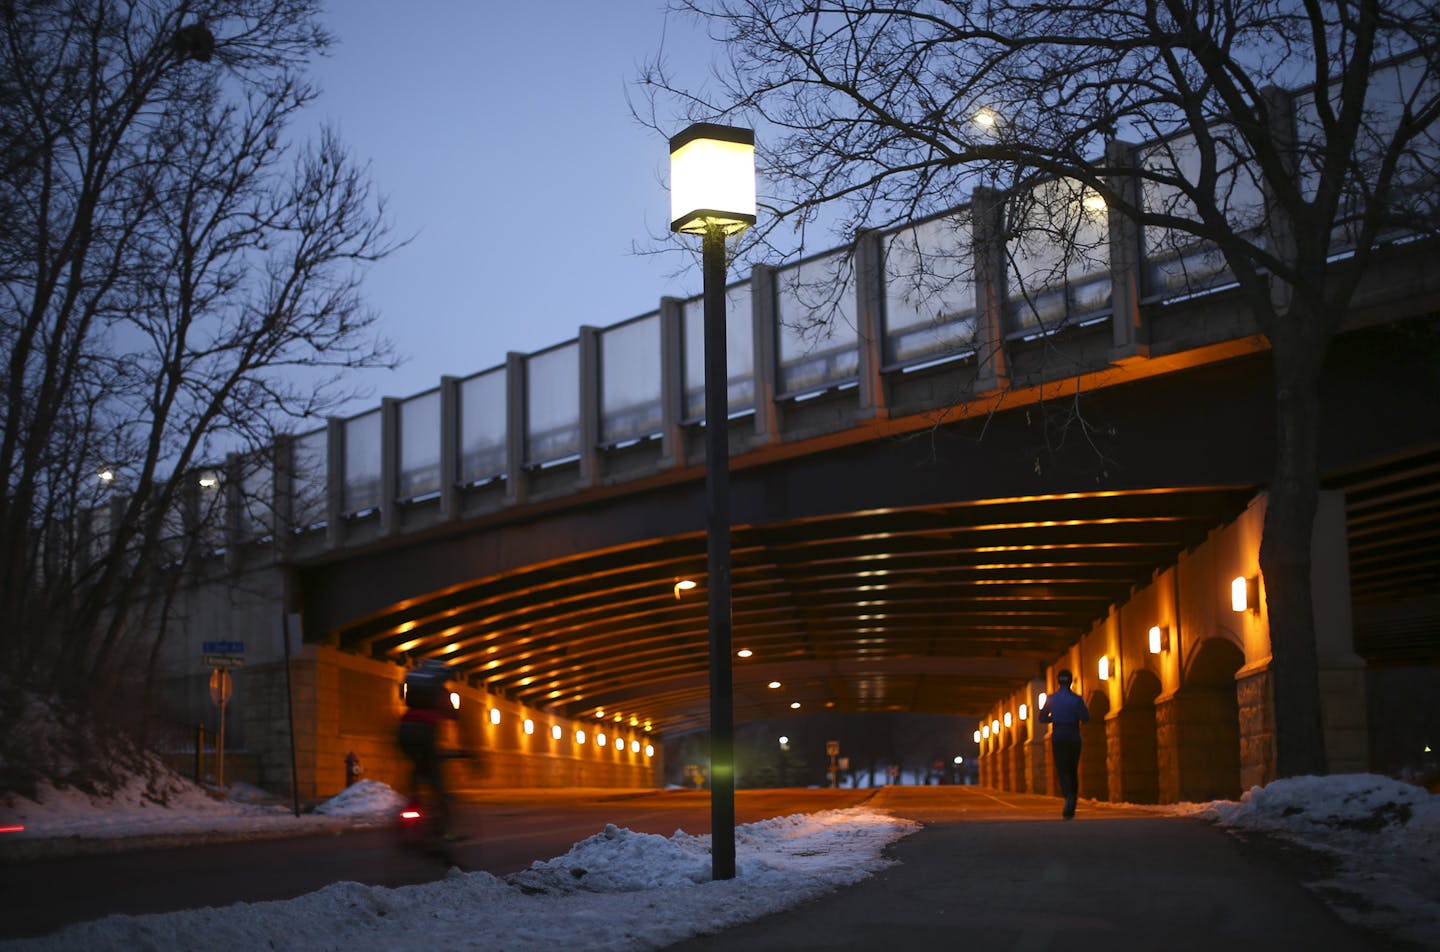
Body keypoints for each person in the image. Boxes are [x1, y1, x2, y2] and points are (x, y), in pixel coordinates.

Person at [397, 659, 460, 839]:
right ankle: (447, 831)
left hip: (404, 731)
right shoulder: (440, 691)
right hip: (425, 733)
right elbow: (455, 716)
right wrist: (470, 753)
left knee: (416, 767)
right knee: (437, 782)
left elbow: (403, 697)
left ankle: (412, 805)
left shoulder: (413, 686)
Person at [1040, 669, 1090, 819]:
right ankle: (1073, 798)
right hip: (1074, 736)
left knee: (1061, 770)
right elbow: (1086, 718)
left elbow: (1041, 718)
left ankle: (1067, 795)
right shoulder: (1077, 699)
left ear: (1058, 681)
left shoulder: (1051, 699)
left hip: (1058, 736)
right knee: (1072, 769)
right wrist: (1073, 716)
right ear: (1070, 681)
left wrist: (1054, 718)